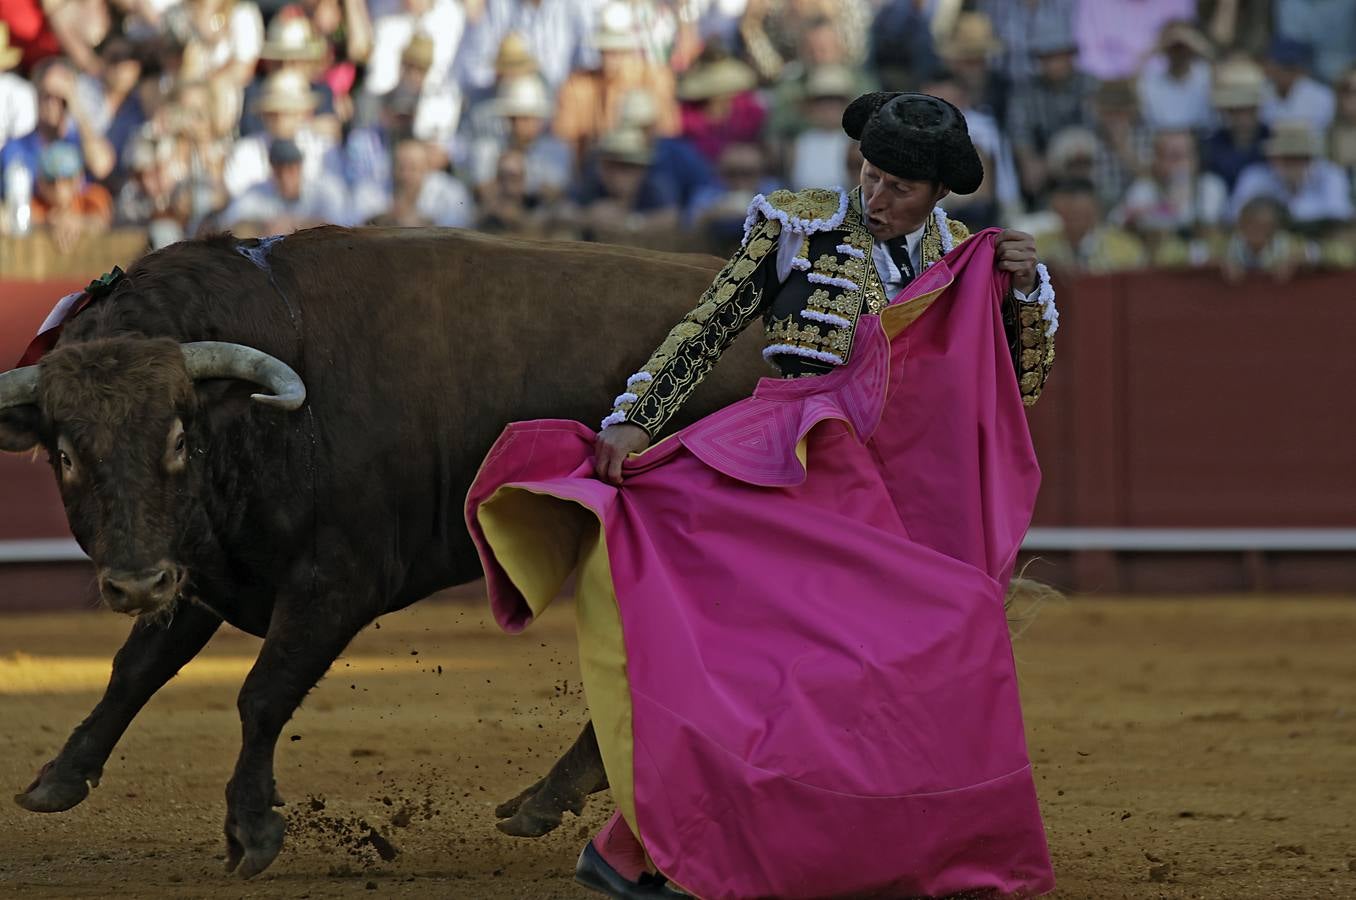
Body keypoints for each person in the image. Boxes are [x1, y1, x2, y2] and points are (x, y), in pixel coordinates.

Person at [466, 91, 1058, 900]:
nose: (876, 198)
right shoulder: (797, 224)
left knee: (917, 665)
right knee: (762, 675)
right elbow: (709, 325)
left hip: (890, 494)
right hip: (789, 473)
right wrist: (635, 419)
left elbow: (1017, 387)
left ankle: (811, 849)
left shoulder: (965, 259)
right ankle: (639, 849)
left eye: (899, 188)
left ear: (939, 192)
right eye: (870, 175)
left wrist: (1024, 295)